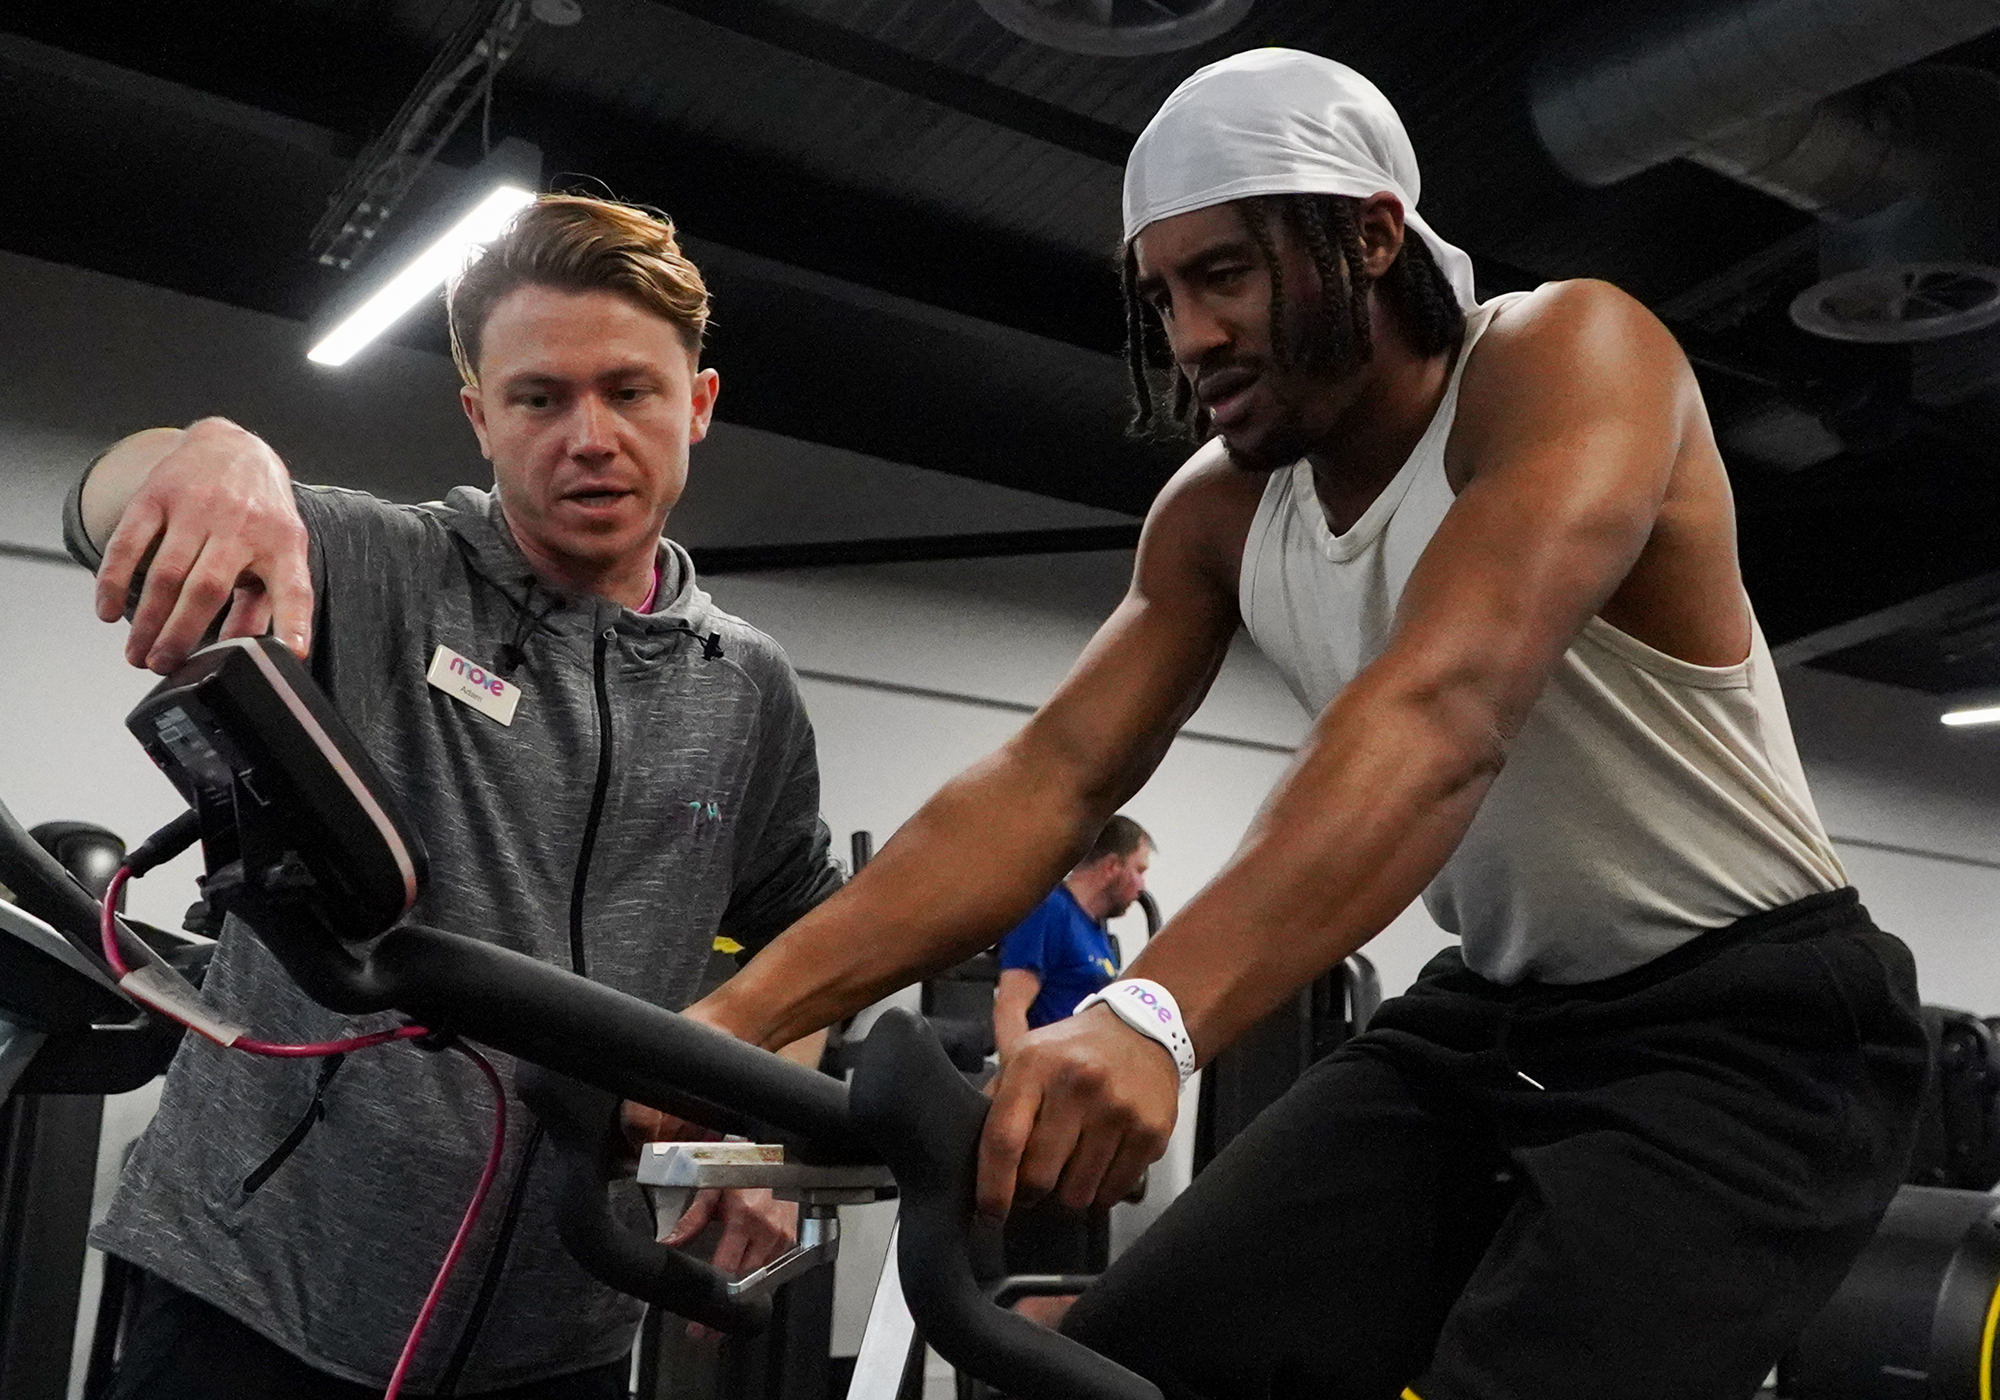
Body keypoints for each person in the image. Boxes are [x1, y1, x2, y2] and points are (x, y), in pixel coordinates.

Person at [677, 50, 1929, 1400]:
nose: (1190, 334)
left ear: (1373, 233)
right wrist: (739, 1021)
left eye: (1225, 275)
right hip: (1501, 1015)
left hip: (1755, 1027)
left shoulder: (1565, 358)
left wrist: (1155, 1012)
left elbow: (1444, 709)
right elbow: (1049, 776)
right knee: (1118, 1372)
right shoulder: (1217, 514)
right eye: (1162, 295)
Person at [67, 196, 842, 1399]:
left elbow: (815, 926)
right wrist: (211, 451)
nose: (588, 436)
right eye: (539, 397)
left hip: (561, 1331)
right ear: (481, 417)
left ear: (696, 401)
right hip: (260, 1294)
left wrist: (759, 1128)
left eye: (629, 390)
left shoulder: (745, 686)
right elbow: (109, 505)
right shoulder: (375, 565)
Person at [991, 814, 1152, 1061]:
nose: (1142, 885)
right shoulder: (1049, 909)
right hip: (1049, 1078)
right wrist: (1019, 1087)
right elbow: (1010, 1007)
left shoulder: (1097, 930)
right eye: (1139, 870)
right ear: (1111, 867)